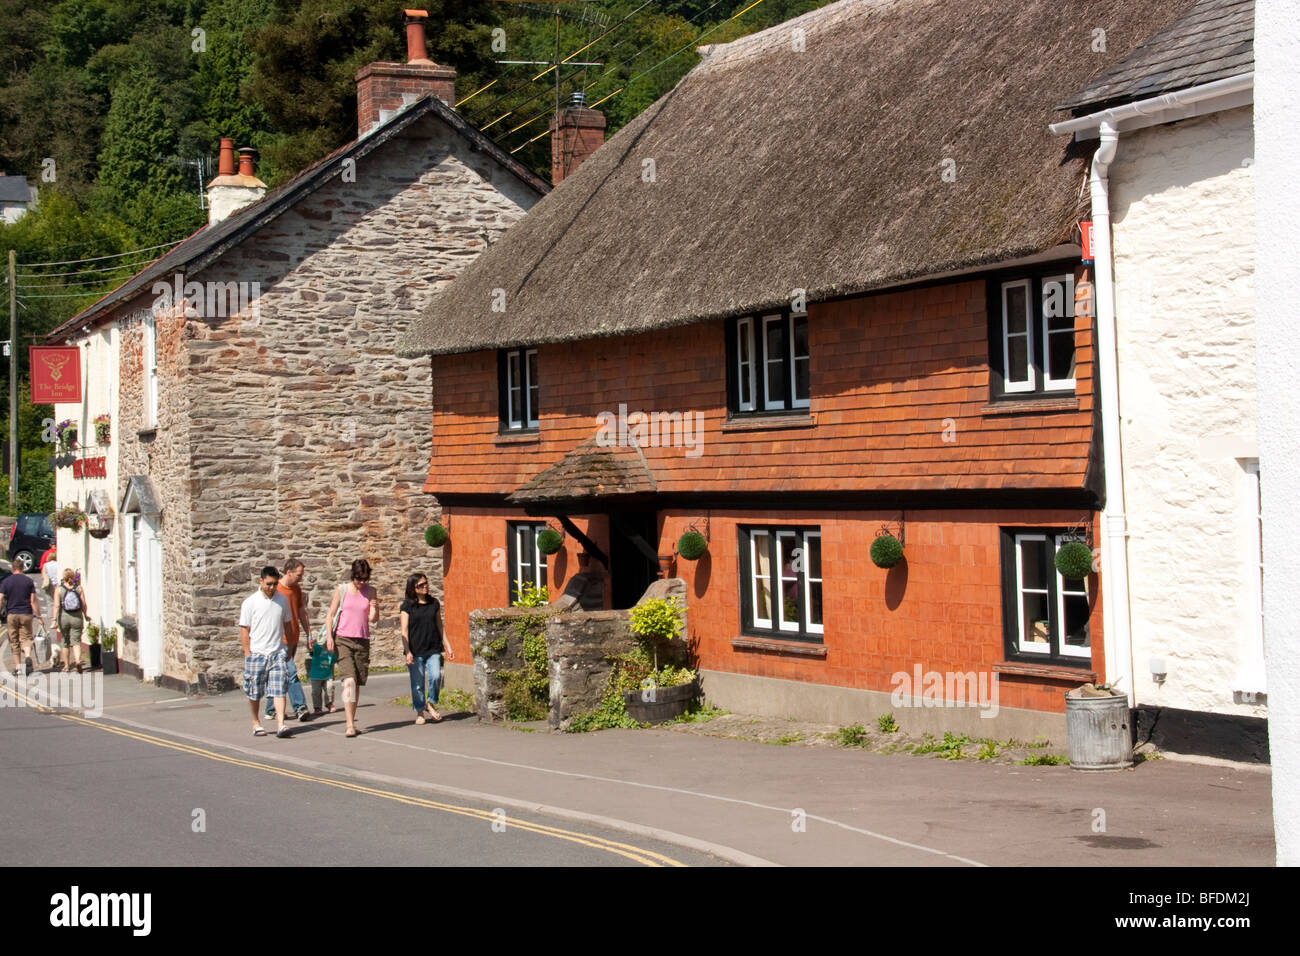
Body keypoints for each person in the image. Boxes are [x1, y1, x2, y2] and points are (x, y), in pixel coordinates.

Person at [324, 558, 378, 738]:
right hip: (343, 639)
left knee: (357, 683)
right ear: (352, 575)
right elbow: (330, 614)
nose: (362, 582)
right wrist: (330, 638)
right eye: (358, 579)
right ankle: (349, 724)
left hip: (362, 640)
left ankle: (352, 720)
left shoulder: (371, 592)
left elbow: (373, 619)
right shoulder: (342, 590)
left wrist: (374, 608)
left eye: (365, 579)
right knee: (349, 681)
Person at [239, 566, 293, 738]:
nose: (272, 587)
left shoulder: (282, 601)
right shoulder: (250, 602)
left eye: (275, 584)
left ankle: (281, 724)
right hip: (257, 653)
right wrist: (247, 652)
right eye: (268, 584)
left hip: (277, 653)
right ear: (261, 581)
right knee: (254, 691)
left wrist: (289, 647)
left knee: (279, 690)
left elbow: (288, 625)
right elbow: (244, 629)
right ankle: (256, 722)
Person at [400, 572, 453, 725]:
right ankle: (420, 711)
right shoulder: (407, 606)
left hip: (433, 648)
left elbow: (440, 626)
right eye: (420, 585)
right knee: (417, 684)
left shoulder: (434, 603)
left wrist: (448, 646)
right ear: (413, 588)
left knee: (436, 676)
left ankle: (431, 702)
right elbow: (404, 631)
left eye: (426, 583)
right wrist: (408, 651)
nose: (425, 587)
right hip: (415, 650)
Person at [266, 558, 311, 722]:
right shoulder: (275, 589)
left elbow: (301, 612)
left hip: (292, 638)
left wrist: (309, 634)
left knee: (280, 676)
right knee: (291, 673)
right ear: (289, 572)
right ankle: (300, 707)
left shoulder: (296, 589)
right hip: (279, 640)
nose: (301, 578)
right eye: (299, 575)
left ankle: (271, 709)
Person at [0, 562, 41, 677]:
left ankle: (18, 667)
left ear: (13, 569)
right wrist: (39, 616)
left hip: (12, 614)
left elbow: (0, 598)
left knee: (14, 641)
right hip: (26, 613)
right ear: (23, 568)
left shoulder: (6, 581)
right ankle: (28, 656)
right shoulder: (28, 581)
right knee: (27, 637)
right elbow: (33, 601)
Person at [50, 568, 89, 673]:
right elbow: (84, 604)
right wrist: (85, 615)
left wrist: (54, 620)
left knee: (65, 642)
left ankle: (66, 666)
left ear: (64, 577)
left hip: (63, 617)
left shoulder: (59, 589)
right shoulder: (79, 588)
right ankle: (77, 661)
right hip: (77, 617)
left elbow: (57, 605)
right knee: (76, 641)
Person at [306, 632, 336, 715]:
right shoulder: (316, 647)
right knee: (316, 691)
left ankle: (329, 704)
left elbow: (332, 663)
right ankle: (317, 707)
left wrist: (332, 674)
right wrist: (309, 643)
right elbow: (310, 649)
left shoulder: (331, 651)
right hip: (315, 675)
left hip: (327, 674)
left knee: (330, 688)